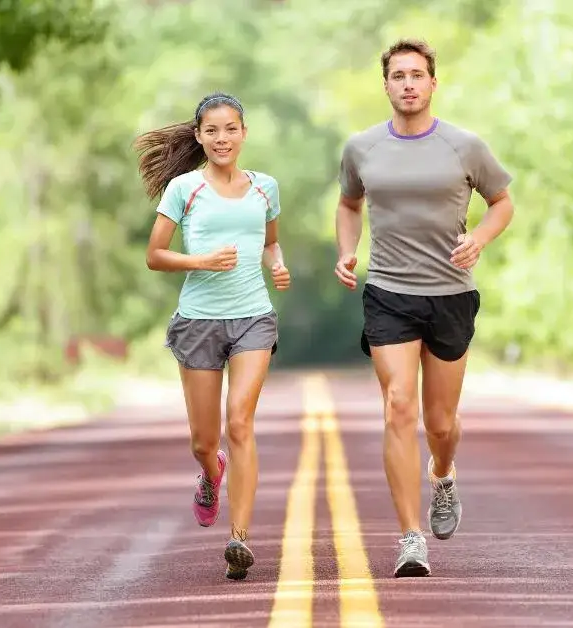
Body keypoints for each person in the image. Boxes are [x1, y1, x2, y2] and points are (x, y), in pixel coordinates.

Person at [333, 39, 515, 577]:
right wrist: (348, 250)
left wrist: (479, 238)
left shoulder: (465, 146)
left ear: (434, 83)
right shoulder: (361, 148)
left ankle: (444, 473)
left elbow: (502, 201)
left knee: (439, 422)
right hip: (389, 293)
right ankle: (411, 537)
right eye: (398, 75)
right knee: (398, 406)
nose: (408, 83)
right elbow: (348, 203)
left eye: (417, 75)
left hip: (451, 295)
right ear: (385, 85)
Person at [136, 91, 291, 581]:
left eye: (231, 129)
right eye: (212, 131)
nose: (222, 138)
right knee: (204, 440)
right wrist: (200, 260)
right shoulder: (184, 189)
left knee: (240, 420)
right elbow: (155, 255)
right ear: (200, 136)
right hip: (198, 320)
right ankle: (210, 472)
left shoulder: (265, 187)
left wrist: (278, 264)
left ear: (244, 133)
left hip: (253, 317)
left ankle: (239, 538)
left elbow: (269, 241)